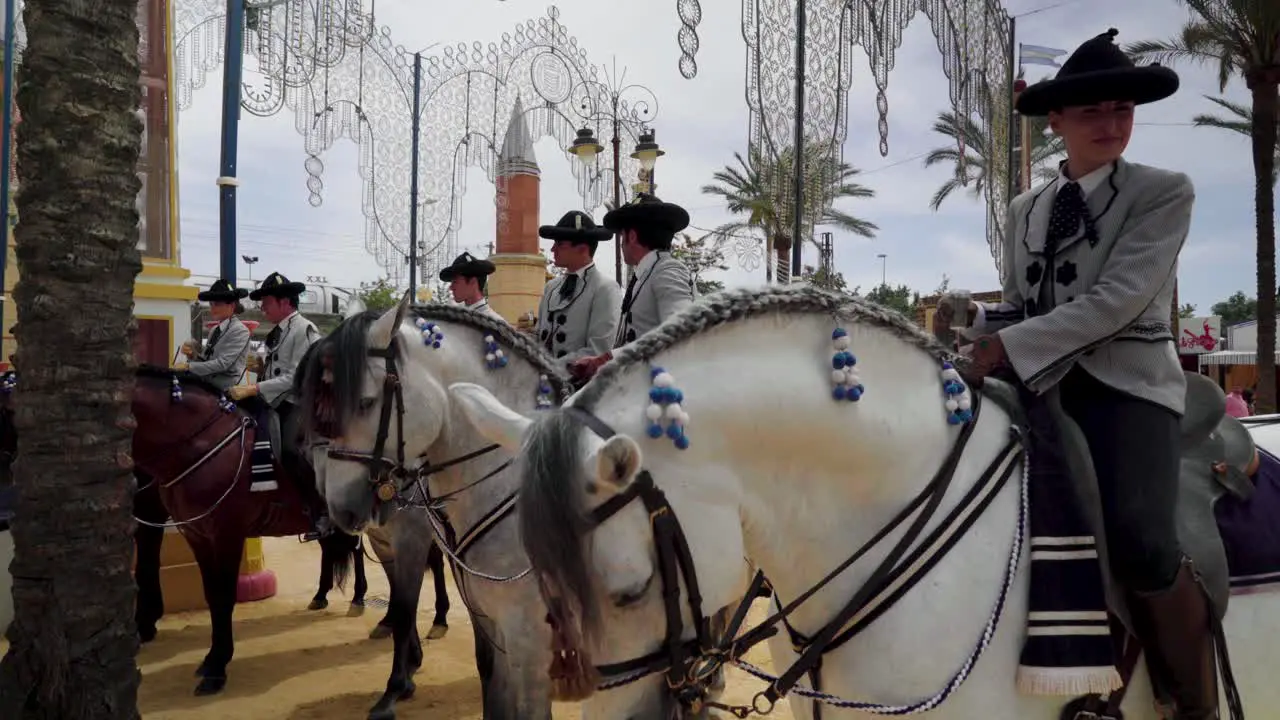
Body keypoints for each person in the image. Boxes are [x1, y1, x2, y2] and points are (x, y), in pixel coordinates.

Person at [934, 29, 1219, 718]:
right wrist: (973, 327)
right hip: (1039, 383)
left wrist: (1007, 347)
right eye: (1092, 111)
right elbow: (1024, 306)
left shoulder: (1162, 192)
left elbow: (1117, 301)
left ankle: (1191, 697)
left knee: (1144, 539)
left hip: (1127, 388)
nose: (1111, 124)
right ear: (1056, 120)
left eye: (1122, 109)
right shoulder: (1022, 209)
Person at [229, 272, 324, 527]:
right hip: (275, 403)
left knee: (292, 451)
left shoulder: (304, 329)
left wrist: (255, 388)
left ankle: (316, 510)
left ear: (285, 302)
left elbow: (297, 377)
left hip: (297, 404)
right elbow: (279, 370)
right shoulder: (280, 331)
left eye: (267, 302)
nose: (262, 308)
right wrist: (260, 368)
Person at [567, 193, 695, 381]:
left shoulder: (667, 270)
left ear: (632, 237)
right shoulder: (648, 272)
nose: (621, 244)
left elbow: (679, 333)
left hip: (658, 390)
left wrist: (608, 358)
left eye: (622, 236)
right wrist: (601, 362)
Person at [536, 210, 621, 367]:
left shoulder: (605, 288)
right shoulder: (550, 288)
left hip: (581, 385)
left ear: (582, 249)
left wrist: (551, 369)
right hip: (543, 382)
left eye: (560, 244)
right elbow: (538, 337)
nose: (553, 249)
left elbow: (598, 350)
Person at [176, 278, 252, 391]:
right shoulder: (214, 330)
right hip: (209, 385)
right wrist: (193, 356)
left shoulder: (240, 330)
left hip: (229, 389)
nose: (212, 308)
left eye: (217, 304)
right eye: (211, 304)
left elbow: (223, 364)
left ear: (231, 305)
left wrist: (189, 366)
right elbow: (207, 360)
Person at [439, 251, 505, 322]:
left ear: (472, 282)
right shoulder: (458, 319)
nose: (451, 287)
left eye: (455, 282)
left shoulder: (495, 323)